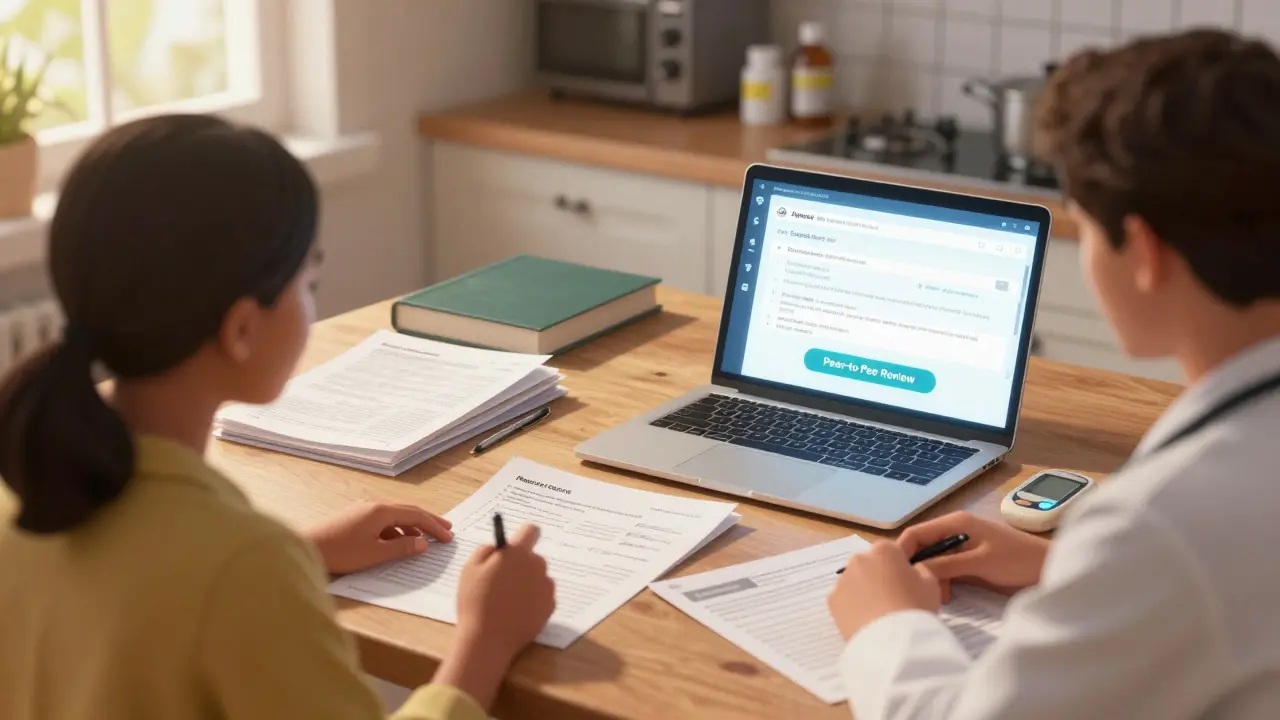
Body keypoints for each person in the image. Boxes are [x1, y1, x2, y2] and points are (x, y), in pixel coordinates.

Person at [0, 115, 555, 720]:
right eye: (308, 280)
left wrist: (304, 552)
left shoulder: (25, 484)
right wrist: (487, 639)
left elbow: (138, 590)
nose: (313, 300)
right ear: (241, 329)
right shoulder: (243, 570)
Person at [826, 29, 1280, 720]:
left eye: (1085, 230)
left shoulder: (1162, 522)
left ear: (1146, 253)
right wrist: (1074, 569)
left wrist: (886, 623)